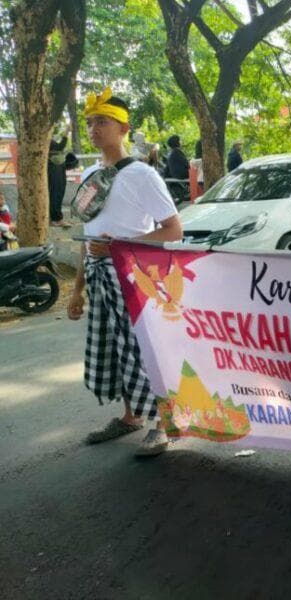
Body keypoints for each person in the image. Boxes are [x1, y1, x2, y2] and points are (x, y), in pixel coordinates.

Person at [66, 87, 183, 457]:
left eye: (102, 121)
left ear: (124, 128)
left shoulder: (142, 174)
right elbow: (87, 237)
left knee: (146, 350)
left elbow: (173, 229)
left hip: (135, 277)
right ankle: (130, 416)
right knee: (117, 351)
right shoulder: (89, 174)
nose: (93, 129)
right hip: (100, 274)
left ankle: (163, 425)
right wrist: (77, 289)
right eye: (89, 123)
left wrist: (119, 246)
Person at [48, 123, 71, 227]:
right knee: (56, 193)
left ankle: (57, 218)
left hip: (58, 168)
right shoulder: (45, 139)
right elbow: (60, 146)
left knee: (59, 192)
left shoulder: (50, 139)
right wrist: (66, 131)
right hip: (53, 169)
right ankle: (55, 219)